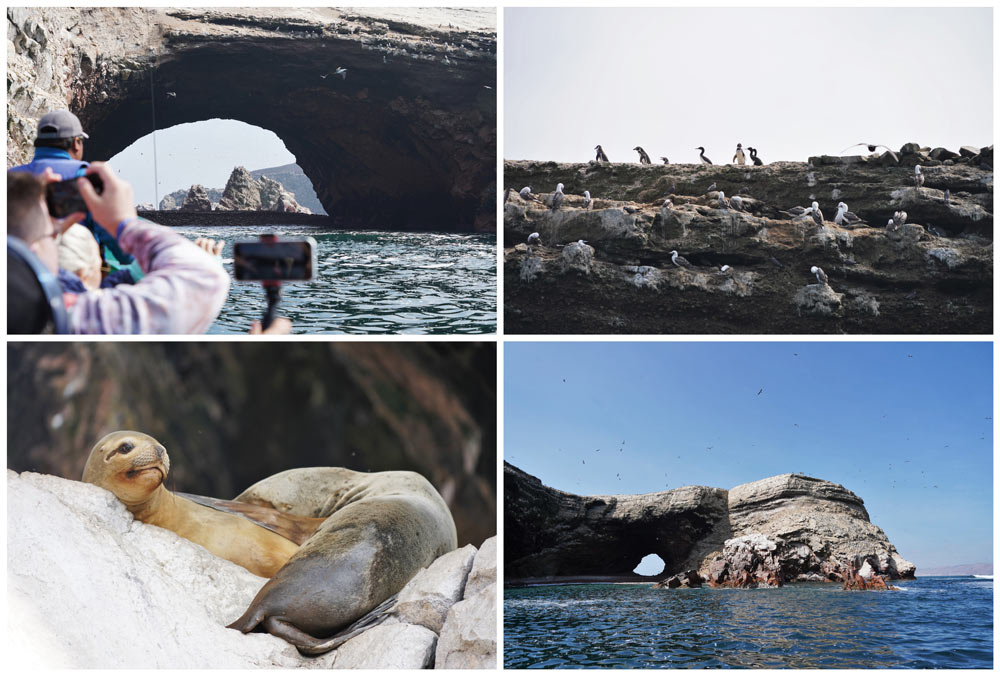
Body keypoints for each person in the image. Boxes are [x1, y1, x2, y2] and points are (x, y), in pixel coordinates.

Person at [7, 164, 231, 333]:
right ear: (34, 250)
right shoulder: (43, 315)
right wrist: (125, 224)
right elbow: (204, 280)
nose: (57, 237)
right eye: (54, 236)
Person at [8, 109, 138, 276]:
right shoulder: (86, 177)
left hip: (21, 276)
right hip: (76, 275)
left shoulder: (11, 178)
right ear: (77, 143)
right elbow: (123, 251)